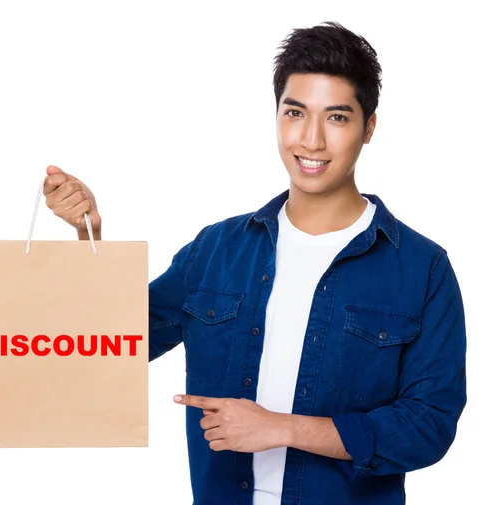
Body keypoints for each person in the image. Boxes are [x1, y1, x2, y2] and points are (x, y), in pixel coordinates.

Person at [42, 21, 466, 505]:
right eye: (295, 112)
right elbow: (112, 348)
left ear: (369, 127)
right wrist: (88, 236)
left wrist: (281, 428)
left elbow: (428, 427)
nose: (311, 140)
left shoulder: (422, 268)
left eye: (337, 117)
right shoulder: (216, 250)